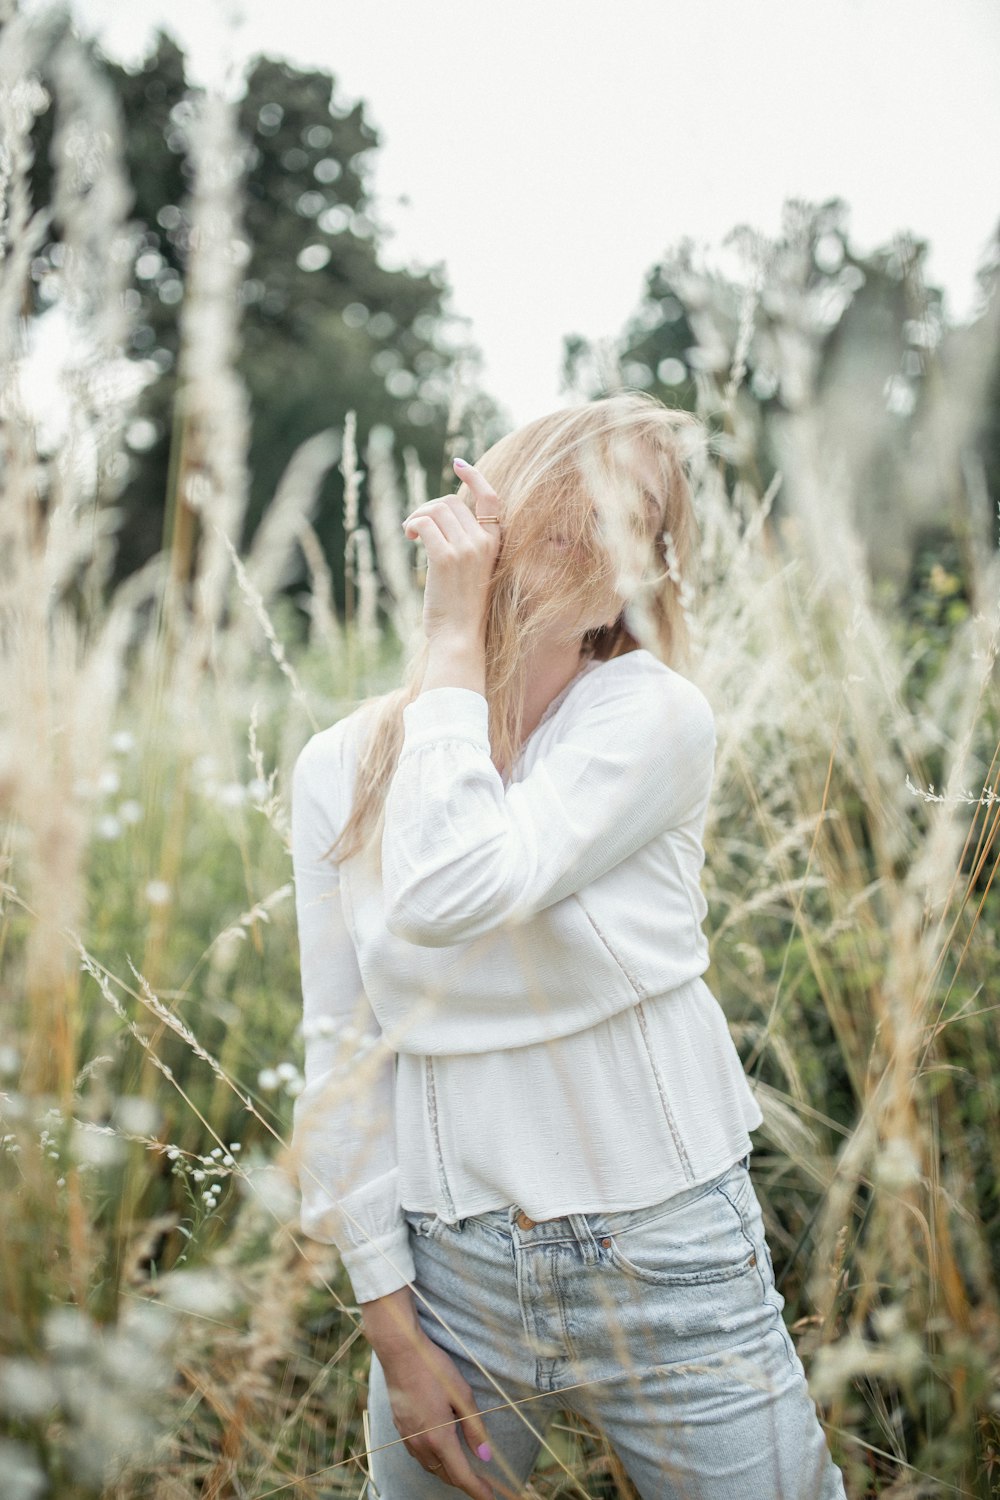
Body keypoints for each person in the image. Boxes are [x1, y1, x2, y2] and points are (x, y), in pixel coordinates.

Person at [290, 392, 849, 1499]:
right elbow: (340, 1055)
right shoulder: (339, 766)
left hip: (670, 1265)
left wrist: (453, 637)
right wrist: (395, 1334)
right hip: (452, 1283)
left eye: (633, 510)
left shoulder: (650, 721)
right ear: (489, 495)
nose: (593, 520)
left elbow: (455, 884)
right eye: (571, 483)